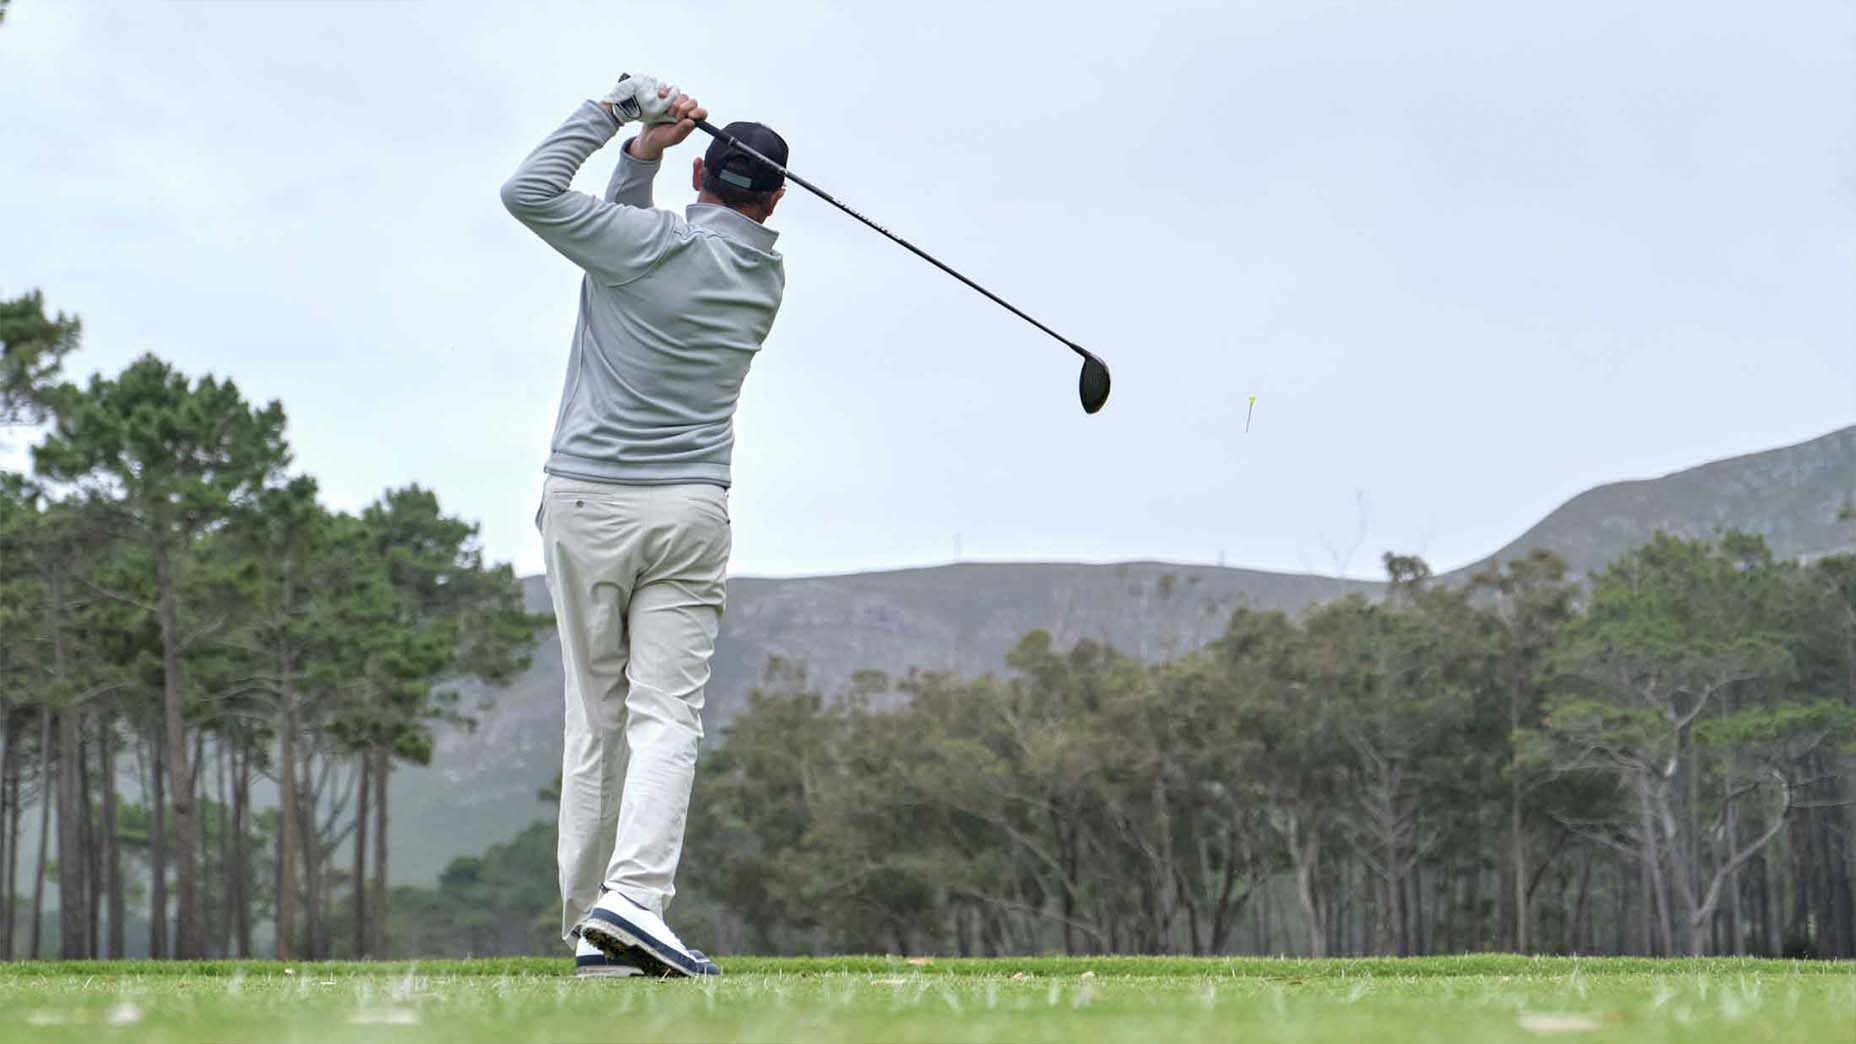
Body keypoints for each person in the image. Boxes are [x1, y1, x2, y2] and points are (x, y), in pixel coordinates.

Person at [500, 73, 790, 978]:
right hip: (691, 514)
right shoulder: (763, 276)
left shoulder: (649, 241)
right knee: (669, 717)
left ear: (702, 177)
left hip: (587, 505)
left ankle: (599, 918)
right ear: (773, 198)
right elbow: (623, 250)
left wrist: (616, 112)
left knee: (597, 722)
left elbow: (530, 195)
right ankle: (632, 909)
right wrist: (640, 162)